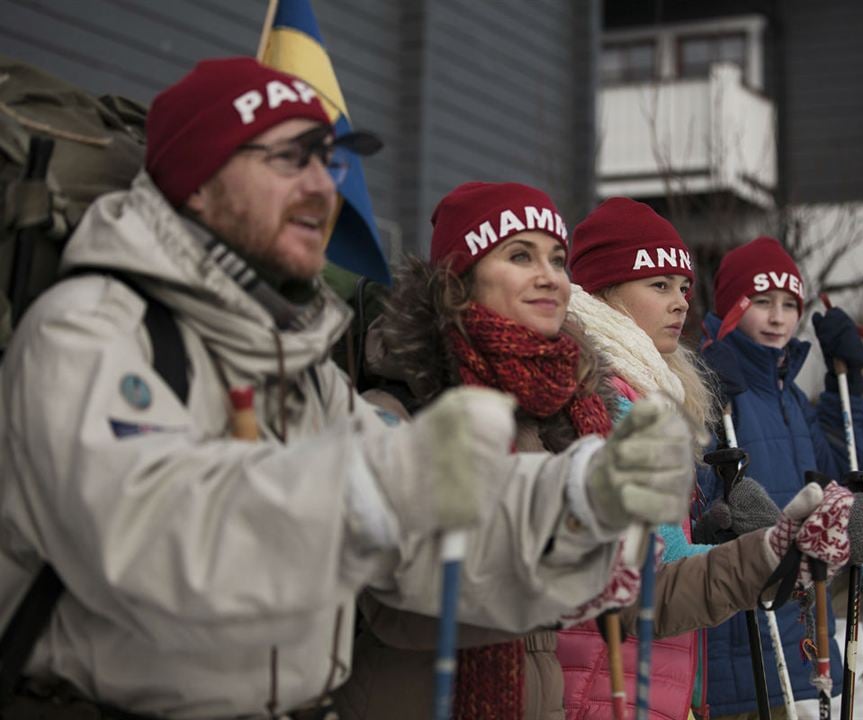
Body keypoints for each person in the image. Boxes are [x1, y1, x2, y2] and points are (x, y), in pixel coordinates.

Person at [0, 60, 698, 719]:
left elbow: (429, 548)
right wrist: (375, 485)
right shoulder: (94, 326)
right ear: (199, 182)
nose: (321, 185)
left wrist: (575, 504)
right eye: (288, 158)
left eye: (327, 160)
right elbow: (145, 540)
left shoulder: (297, 364)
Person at [337, 185, 850, 720]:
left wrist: (773, 552)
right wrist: (570, 550)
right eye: (520, 255)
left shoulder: (564, 416)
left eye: (557, 259)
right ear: (456, 280)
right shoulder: (400, 409)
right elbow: (400, 604)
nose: (550, 275)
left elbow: (639, 592)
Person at [557, 198, 841, 720]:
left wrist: (713, 531)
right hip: (604, 680)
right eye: (659, 285)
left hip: (655, 674)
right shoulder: (607, 396)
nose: (681, 302)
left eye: (684, 287)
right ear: (606, 293)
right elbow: (653, 566)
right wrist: (766, 552)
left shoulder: (655, 390)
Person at [698, 236, 863, 718]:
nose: (778, 318)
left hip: (801, 628)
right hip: (739, 635)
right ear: (732, 306)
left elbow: (840, 478)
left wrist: (848, 386)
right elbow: (699, 494)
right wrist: (705, 396)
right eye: (761, 303)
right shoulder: (715, 386)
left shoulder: (792, 399)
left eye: (790, 305)